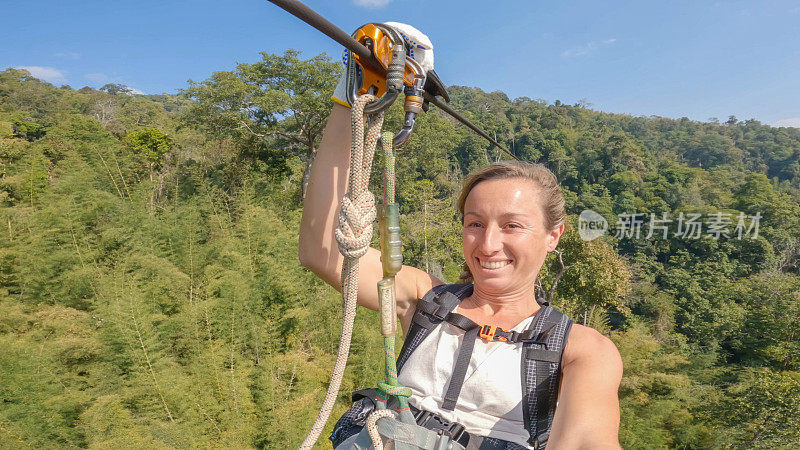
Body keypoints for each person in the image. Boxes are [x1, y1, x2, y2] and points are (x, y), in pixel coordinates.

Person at [299, 24, 622, 450]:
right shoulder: (426, 300)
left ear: (553, 236)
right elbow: (324, 250)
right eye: (475, 223)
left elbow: (586, 440)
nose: (487, 245)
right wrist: (353, 98)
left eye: (513, 226)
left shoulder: (579, 350)